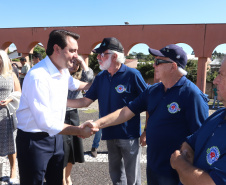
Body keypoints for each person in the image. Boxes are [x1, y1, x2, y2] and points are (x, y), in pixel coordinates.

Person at [79, 44, 210, 185]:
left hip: (176, 173)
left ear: (173, 66)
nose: (154, 65)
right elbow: (125, 112)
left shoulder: (192, 95)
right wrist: (97, 124)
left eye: (158, 62)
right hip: (154, 168)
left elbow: (202, 139)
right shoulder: (153, 91)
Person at [16, 29, 98, 185]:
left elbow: (75, 84)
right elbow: (45, 122)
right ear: (57, 49)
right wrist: (79, 131)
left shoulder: (62, 71)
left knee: (56, 181)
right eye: (72, 50)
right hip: (34, 141)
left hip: (56, 137)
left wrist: (98, 86)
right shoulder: (38, 76)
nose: (76, 55)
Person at [68, 37, 148, 185]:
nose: (98, 57)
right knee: (116, 175)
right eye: (98, 54)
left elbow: (149, 103)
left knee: (133, 178)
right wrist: (61, 102)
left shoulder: (132, 75)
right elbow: (86, 101)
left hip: (129, 135)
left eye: (102, 54)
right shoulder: (101, 77)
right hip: (109, 133)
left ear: (115, 56)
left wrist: (146, 131)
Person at [170, 57, 226, 185]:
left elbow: (209, 183)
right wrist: (188, 162)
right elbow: (189, 143)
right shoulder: (218, 115)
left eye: (221, 75)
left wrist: (180, 163)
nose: (215, 81)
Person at [63, 55, 94, 185]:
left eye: (77, 64)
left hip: (73, 114)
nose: (75, 65)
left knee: (72, 150)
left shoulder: (79, 78)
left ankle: (67, 177)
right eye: (72, 62)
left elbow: (90, 80)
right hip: (60, 115)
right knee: (62, 149)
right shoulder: (61, 75)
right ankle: (61, 179)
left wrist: (82, 62)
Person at [0, 50, 21, 184]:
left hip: (7, 113)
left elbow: (19, 92)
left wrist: (9, 99)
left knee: (11, 143)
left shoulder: (11, 74)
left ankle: (13, 169)